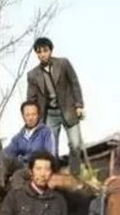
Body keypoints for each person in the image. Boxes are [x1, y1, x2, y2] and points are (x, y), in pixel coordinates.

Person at [27, 37, 85, 175]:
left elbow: (75, 83)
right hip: (49, 115)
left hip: (68, 110)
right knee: (51, 150)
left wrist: (79, 105)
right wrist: (33, 119)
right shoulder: (33, 75)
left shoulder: (63, 63)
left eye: (45, 51)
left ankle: (75, 174)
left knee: (75, 144)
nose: (42, 54)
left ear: (50, 51)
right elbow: (31, 99)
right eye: (39, 52)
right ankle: (55, 176)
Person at [0, 100, 56, 201]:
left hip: (36, 166)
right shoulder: (20, 135)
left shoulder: (46, 132)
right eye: (27, 115)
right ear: (23, 116)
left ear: (38, 115)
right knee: (1, 156)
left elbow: (50, 155)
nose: (30, 118)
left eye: (33, 114)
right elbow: (8, 152)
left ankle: (20, 201)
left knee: (18, 175)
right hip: (21, 163)